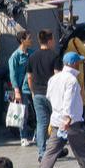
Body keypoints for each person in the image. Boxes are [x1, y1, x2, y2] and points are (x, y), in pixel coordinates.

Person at [27, 31, 61, 160]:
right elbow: (57, 76)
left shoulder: (32, 57)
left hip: (37, 94)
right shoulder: (55, 56)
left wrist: (33, 91)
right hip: (52, 95)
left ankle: (42, 153)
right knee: (56, 123)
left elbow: (29, 77)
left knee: (41, 123)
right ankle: (55, 150)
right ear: (50, 40)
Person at [8, 32, 35, 147]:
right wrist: (16, 91)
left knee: (37, 112)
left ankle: (37, 135)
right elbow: (12, 74)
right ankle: (23, 137)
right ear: (22, 40)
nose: (31, 40)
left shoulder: (32, 53)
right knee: (23, 114)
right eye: (29, 38)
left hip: (33, 87)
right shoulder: (15, 56)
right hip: (21, 89)